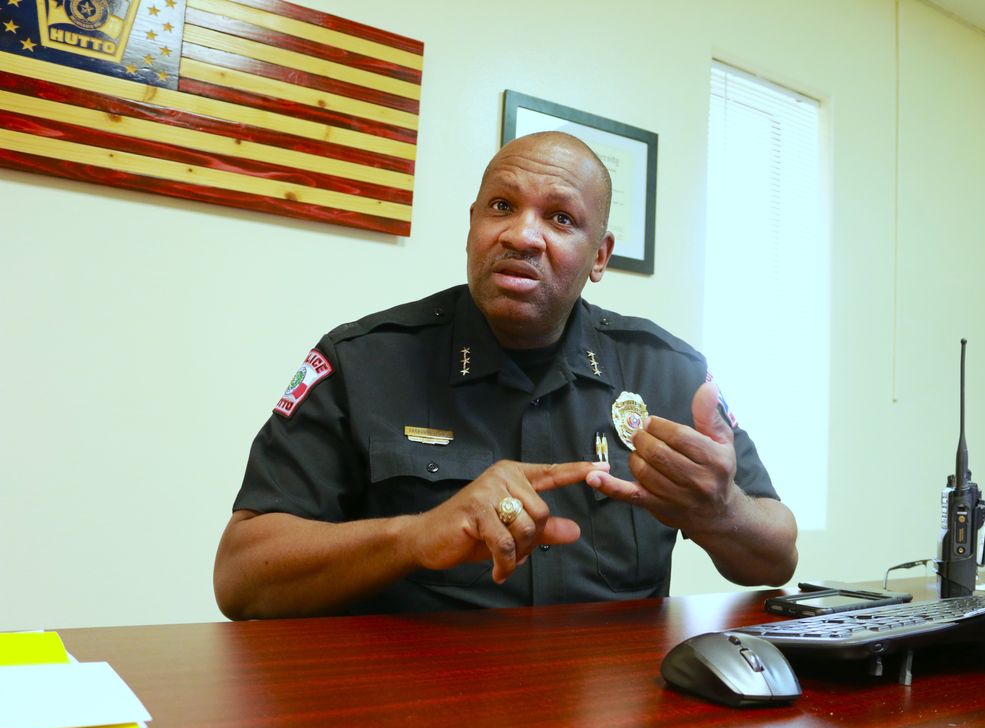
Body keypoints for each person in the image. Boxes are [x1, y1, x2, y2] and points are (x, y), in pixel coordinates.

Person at [213, 131, 797, 619]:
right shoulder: (361, 361)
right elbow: (241, 576)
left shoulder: (671, 373)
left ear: (600, 256)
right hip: (415, 705)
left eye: (561, 218)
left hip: (617, 714)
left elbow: (776, 558)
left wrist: (721, 512)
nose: (521, 234)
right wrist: (416, 536)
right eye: (501, 207)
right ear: (472, 226)